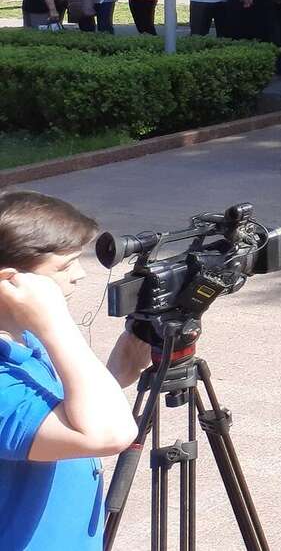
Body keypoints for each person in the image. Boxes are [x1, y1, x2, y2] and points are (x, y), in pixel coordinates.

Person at [0, 192, 155, 551]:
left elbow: (60, 413)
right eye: (64, 265)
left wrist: (121, 365)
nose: (80, 274)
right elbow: (110, 434)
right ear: (10, 280)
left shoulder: (20, 339)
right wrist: (56, 325)